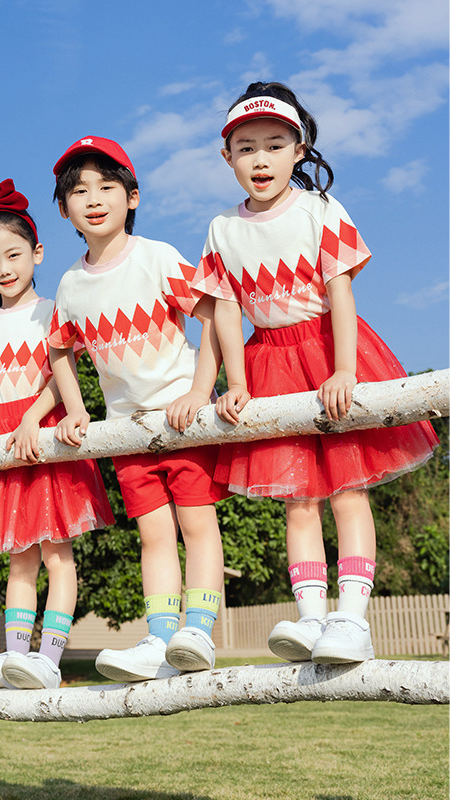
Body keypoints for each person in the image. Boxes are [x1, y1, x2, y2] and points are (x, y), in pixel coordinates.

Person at [193, 81, 439, 663]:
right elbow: (225, 309)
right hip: (268, 362)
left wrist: (344, 369)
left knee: (348, 491)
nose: (260, 159)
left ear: (299, 150)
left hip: (328, 351)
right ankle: (311, 620)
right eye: (246, 147)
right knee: (299, 501)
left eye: (275, 145)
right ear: (227, 157)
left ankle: (351, 619)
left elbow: (341, 291)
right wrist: (236, 382)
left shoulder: (320, 209)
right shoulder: (222, 227)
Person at [48, 138, 228, 682]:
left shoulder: (157, 256)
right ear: (64, 209)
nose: (94, 199)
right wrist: (75, 408)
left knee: (196, 524)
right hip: (126, 431)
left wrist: (200, 390)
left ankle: (198, 631)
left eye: (107, 187)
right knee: (153, 536)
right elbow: (59, 349)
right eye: (80, 191)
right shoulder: (70, 284)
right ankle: (160, 639)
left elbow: (211, 314)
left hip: (184, 420)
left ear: (132, 197)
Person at [0, 179, 113, 690]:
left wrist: (31, 419)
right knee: (20, 560)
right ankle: (17, 659)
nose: (5, 268)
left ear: (37, 252)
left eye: (14, 255)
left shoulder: (52, 309)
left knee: (57, 555)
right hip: (1, 445)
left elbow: (61, 382)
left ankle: (49, 659)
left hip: (39, 439)